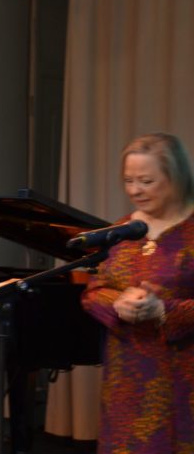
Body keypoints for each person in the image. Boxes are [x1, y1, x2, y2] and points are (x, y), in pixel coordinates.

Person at [81, 132, 194, 453]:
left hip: (183, 378)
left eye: (146, 181)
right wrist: (117, 302)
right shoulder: (122, 231)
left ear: (176, 178)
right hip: (127, 379)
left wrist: (163, 311)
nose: (134, 190)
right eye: (128, 181)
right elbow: (94, 290)